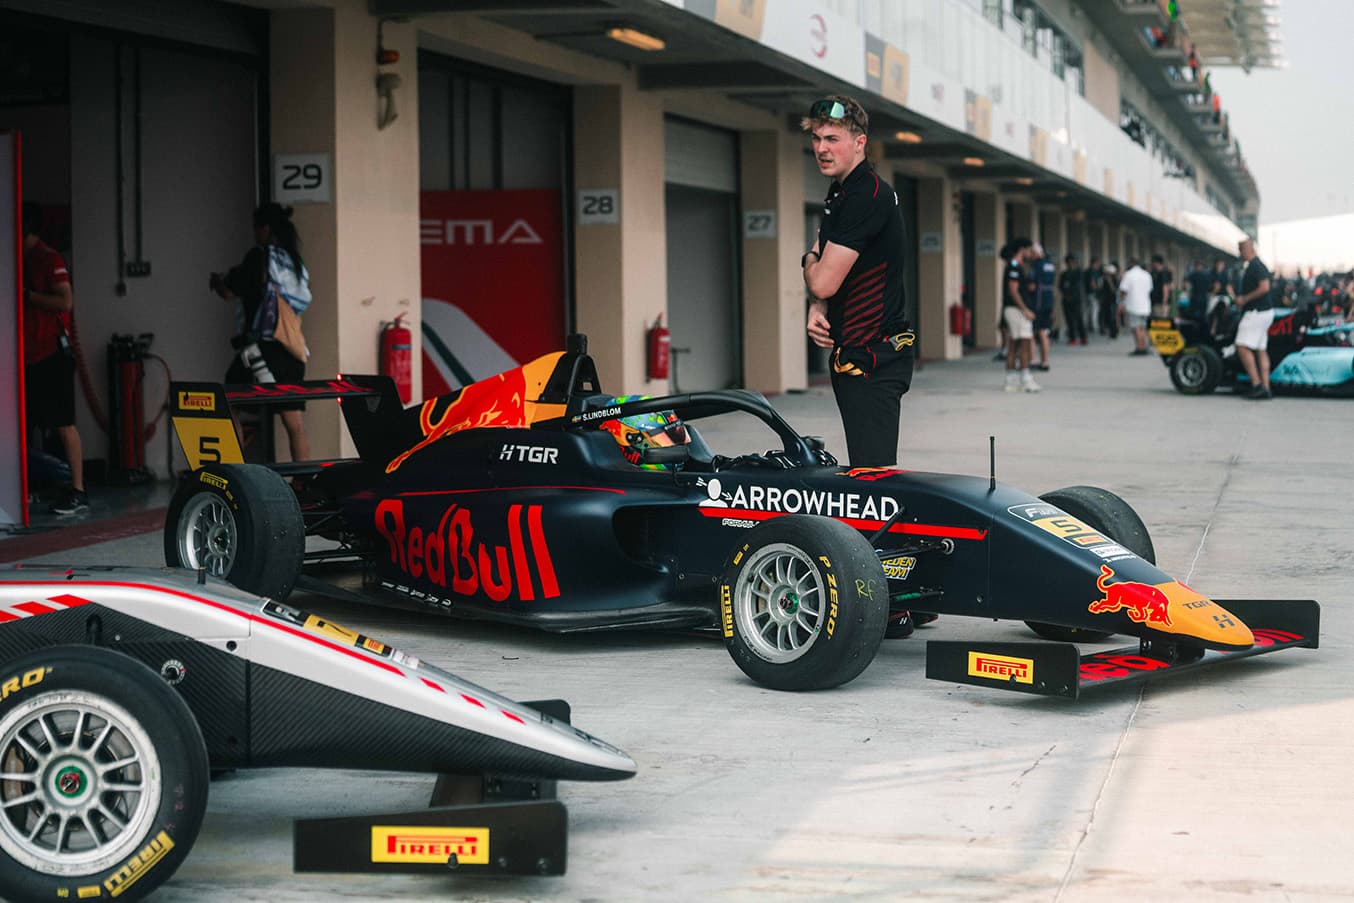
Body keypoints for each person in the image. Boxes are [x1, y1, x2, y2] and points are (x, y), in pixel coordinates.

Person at [801, 95, 913, 466]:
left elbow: (822, 280)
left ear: (859, 142)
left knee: (873, 480)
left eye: (832, 139)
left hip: (874, 360)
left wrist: (809, 264)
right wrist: (818, 306)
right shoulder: (842, 191)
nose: (821, 148)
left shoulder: (868, 195)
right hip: (856, 357)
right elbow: (826, 260)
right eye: (817, 138)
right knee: (866, 476)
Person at [211, 202, 312, 460]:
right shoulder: (294, 262)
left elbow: (229, 291)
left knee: (229, 400)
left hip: (263, 350)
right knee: (295, 426)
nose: (254, 234)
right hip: (293, 351)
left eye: (256, 228)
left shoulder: (260, 256)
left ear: (265, 228)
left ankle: (237, 471)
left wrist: (217, 282)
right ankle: (305, 485)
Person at [21, 202, 88, 515]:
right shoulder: (17, 259)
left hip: (51, 355)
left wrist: (29, 297)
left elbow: (66, 299)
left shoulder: (48, 258)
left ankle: (78, 490)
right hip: (27, 355)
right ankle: (29, 486)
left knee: (64, 425)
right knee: (24, 426)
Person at [1234, 237, 1274, 400]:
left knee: (1242, 346)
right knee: (1260, 349)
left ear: (1249, 249)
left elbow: (1264, 287)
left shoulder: (1255, 266)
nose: (1239, 253)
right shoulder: (1257, 265)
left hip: (1256, 313)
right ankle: (1266, 387)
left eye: (1241, 249)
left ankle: (1257, 385)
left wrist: (1244, 299)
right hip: (1265, 312)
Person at [999, 238, 1039, 392]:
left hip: (1015, 309)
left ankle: (1012, 379)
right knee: (1024, 344)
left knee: (1015, 344)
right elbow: (1013, 291)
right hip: (1016, 310)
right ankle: (1025, 378)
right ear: (1022, 249)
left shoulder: (1018, 266)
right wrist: (1025, 310)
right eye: (1029, 250)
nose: (1031, 253)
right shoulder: (1014, 266)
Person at [1118, 257, 1153, 355]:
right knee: (1142, 327)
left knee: (1136, 327)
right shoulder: (1147, 275)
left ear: (1131, 264)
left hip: (1133, 305)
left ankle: (1139, 348)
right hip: (1145, 305)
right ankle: (1144, 346)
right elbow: (1150, 289)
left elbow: (1123, 290)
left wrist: (1121, 302)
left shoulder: (1128, 275)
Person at [1032, 243, 1057, 369]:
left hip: (1038, 302)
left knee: (1036, 331)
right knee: (1045, 332)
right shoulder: (1050, 265)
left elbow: (1032, 284)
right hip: (1048, 301)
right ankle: (1045, 360)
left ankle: (1034, 359)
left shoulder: (1037, 265)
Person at [1059, 254, 1088, 346]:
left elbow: (1078, 286)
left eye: (1072, 262)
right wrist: (1066, 295)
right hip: (1066, 300)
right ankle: (1072, 338)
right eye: (1068, 263)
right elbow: (1061, 286)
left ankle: (1083, 337)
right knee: (1069, 320)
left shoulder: (1078, 273)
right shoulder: (1064, 274)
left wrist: (1072, 295)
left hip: (1077, 299)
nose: (1070, 264)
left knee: (1079, 319)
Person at [1185, 259, 1215, 326]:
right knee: (1203, 316)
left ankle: (1191, 329)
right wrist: (1210, 293)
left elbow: (1187, 284)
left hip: (1195, 297)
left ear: (1196, 266)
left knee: (1191, 315)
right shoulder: (1208, 275)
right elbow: (1213, 285)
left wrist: (1188, 293)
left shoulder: (1193, 274)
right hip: (1204, 298)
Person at [1098, 261, 1120, 338]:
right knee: (1106, 316)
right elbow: (1100, 289)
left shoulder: (1114, 279)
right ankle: (1106, 329)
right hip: (1105, 300)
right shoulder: (1103, 279)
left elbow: (1114, 290)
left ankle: (1114, 332)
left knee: (1113, 317)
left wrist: (1110, 281)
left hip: (1113, 300)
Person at [1149, 254, 1174, 318]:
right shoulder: (1154, 272)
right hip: (1155, 302)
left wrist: (1164, 303)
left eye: (1153, 262)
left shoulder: (1163, 273)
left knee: (1160, 322)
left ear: (1157, 262)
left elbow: (1165, 288)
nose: (1152, 263)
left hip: (1160, 303)